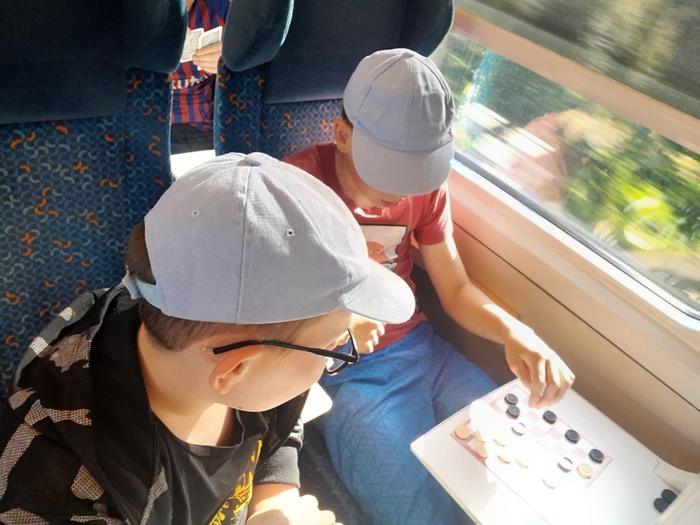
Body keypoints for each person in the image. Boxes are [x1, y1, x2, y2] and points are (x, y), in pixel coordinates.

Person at [0, 152, 415, 524]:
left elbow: (279, 423)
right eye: (332, 348)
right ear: (235, 369)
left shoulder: (178, 316)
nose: (334, 354)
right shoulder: (59, 491)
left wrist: (275, 500)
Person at [284, 48, 576, 525]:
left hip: (425, 352)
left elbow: (455, 290)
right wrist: (338, 324)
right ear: (342, 136)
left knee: (515, 475)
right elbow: (267, 309)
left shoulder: (423, 191)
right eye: (388, 172)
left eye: (416, 175)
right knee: (420, 514)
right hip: (348, 373)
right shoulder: (295, 187)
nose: (402, 192)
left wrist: (515, 333)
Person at [170, 0, 229, 154]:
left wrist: (230, 59)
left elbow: (252, 69)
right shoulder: (126, 13)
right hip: (145, 127)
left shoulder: (220, 9)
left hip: (205, 128)